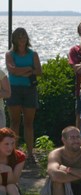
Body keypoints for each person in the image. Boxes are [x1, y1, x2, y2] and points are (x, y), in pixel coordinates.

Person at [5, 27, 42, 164]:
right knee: (14, 122)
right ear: (14, 39)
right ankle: (12, 152)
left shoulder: (33, 54)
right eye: (19, 36)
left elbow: (38, 71)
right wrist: (28, 70)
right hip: (14, 90)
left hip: (29, 90)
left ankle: (30, 153)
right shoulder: (10, 54)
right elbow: (12, 71)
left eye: (24, 36)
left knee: (28, 123)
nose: (22, 39)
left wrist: (25, 71)